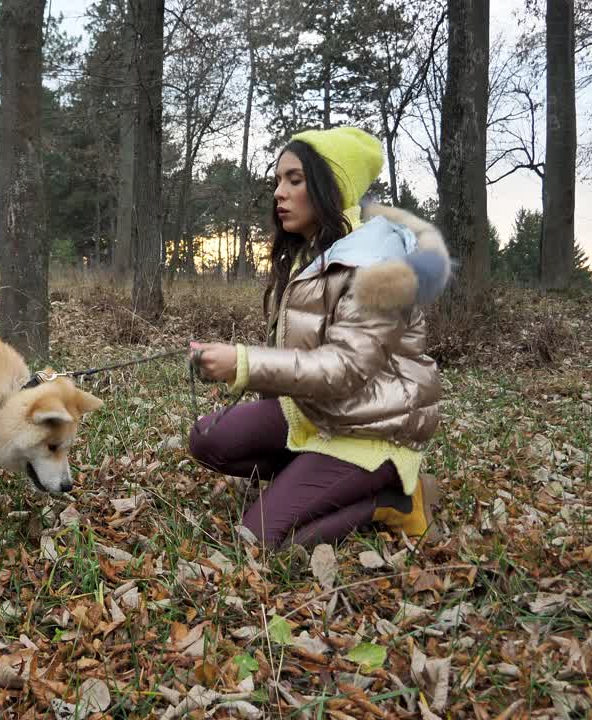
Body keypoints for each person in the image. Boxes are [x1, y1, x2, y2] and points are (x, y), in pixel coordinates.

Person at [188, 126, 452, 548]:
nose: (279, 193)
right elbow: (298, 358)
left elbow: (345, 368)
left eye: (295, 180)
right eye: (277, 181)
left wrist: (243, 364)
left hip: (370, 433)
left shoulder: (374, 264)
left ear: (331, 187)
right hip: (320, 416)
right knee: (207, 438)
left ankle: (393, 500)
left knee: (262, 540)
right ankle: (308, 478)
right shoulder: (313, 256)